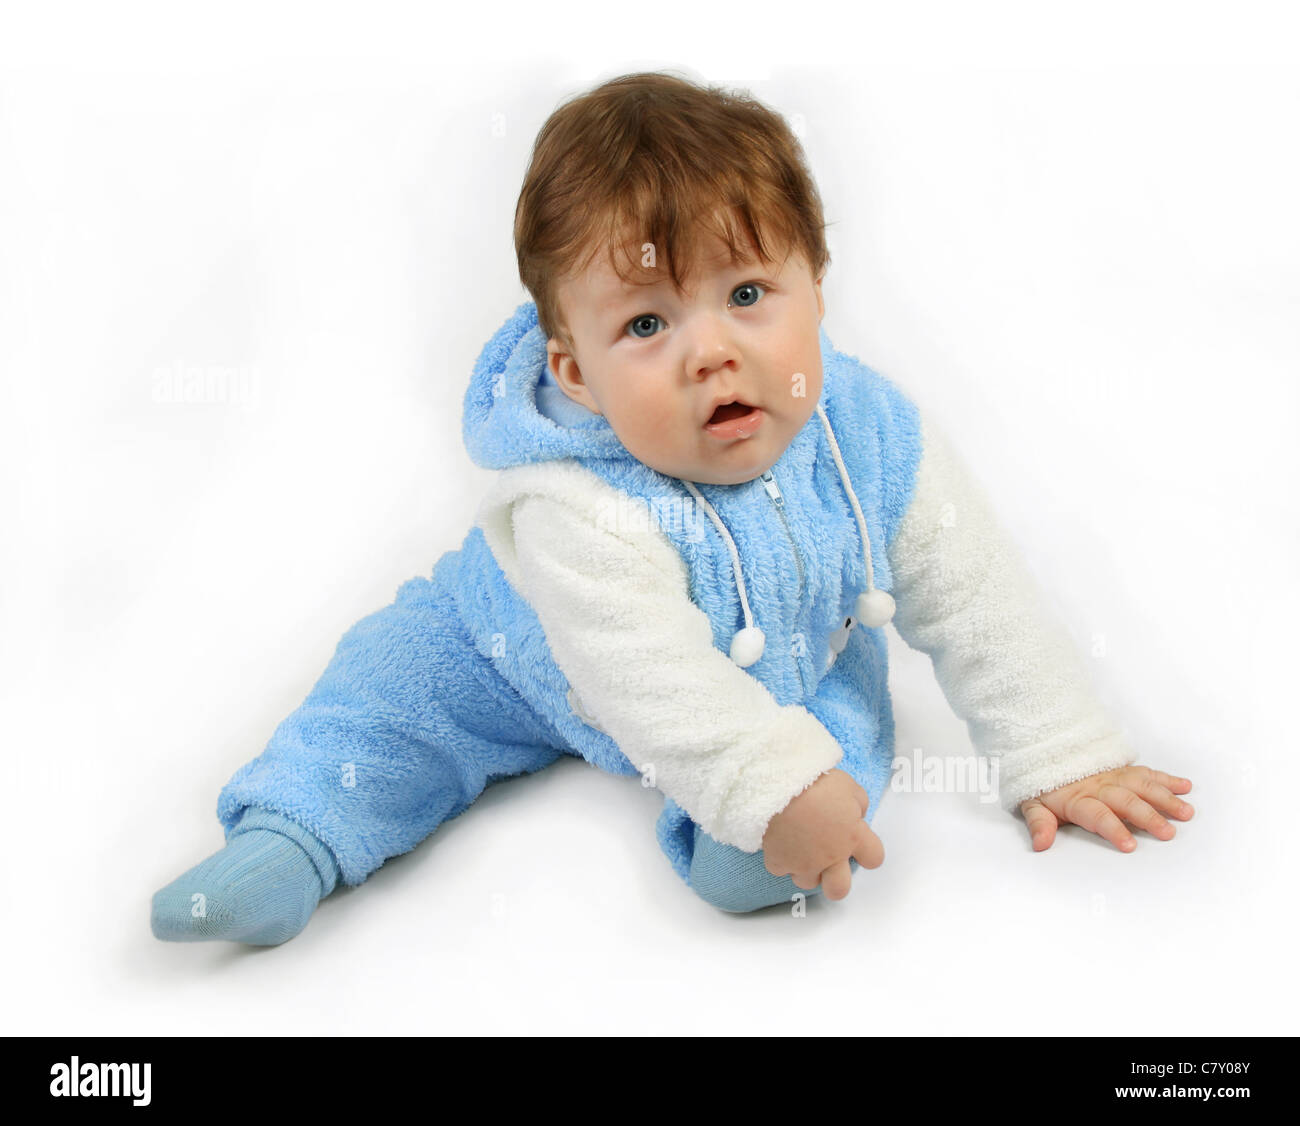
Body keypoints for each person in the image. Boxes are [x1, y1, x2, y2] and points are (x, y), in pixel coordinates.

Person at [151, 70, 1193, 945]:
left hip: (782, 656)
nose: (710, 349)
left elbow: (975, 593)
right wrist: (761, 781)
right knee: (388, 686)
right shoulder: (573, 501)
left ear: (814, 287)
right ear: (575, 366)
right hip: (520, 651)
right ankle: (293, 837)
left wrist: (1062, 750)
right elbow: (642, 674)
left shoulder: (867, 432)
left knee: (834, 739)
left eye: (746, 294)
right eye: (647, 322)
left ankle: (760, 837)